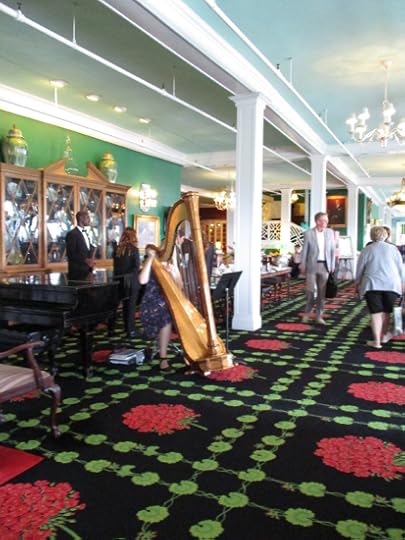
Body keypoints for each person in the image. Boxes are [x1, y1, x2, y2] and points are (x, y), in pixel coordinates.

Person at [355, 226, 404, 349]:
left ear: (371, 236)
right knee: (387, 312)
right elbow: (400, 267)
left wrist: (357, 282)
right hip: (391, 285)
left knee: (376, 313)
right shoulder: (393, 249)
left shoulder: (367, 249)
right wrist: (403, 282)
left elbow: (360, 268)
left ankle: (376, 341)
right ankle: (383, 336)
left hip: (372, 284)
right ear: (385, 235)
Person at [139, 244, 174, 370]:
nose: (151, 255)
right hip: (150, 302)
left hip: (164, 301)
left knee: (166, 316)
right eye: (148, 254)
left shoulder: (166, 265)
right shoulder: (148, 265)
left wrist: (173, 271)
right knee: (165, 315)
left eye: (153, 253)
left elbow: (179, 284)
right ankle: (161, 353)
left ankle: (163, 356)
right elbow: (142, 280)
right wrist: (150, 259)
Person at [300, 211, 336, 324]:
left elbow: (333, 250)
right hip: (312, 265)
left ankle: (319, 316)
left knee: (322, 293)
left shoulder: (330, 233)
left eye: (326, 220)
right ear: (317, 221)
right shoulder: (308, 233)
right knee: (310, 291)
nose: (325, 222)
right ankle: (307, 313)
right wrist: (302, 264)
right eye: (322, 220)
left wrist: (333, 264)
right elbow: (304, 251)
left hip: (325, 265)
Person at [113, 227, 140, 339]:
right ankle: (130, 330)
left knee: (123, 306)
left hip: (118, 281)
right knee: (130, 307)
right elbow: (136, 267)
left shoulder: (117, 249)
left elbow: (116, 267)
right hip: (131, 282)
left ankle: (114, 329)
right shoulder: (134, 250)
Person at [65, 210, 95, 280]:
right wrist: (85, 260)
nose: (89, 220)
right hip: (77, 273)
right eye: (88, 217)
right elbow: (70, 253)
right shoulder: (72, 234)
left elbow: (86, 251)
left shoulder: (86, 233)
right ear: (81, 218)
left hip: (87, 271)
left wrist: (90, 262)